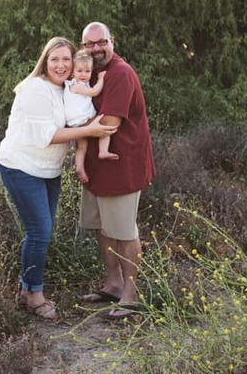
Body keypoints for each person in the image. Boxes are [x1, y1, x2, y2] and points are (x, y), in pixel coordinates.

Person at [0, 37, 118, 320]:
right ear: (45, 61)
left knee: (41, 232)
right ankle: (35, 297)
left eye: (66, 59)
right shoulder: (34, 89)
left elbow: (77, 115)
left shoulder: (65, 87)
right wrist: (92, 132)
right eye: (55, 59)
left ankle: (26, 290)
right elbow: (49, 135)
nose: (61, 65)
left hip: (48, 169)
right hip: (21, 166)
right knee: (40, 232)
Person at [77, 22, 156, 319]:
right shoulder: (88, 70)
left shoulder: (121, 73)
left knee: (123, 230)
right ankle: (113, 284)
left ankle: (131, 295)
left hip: (122, 165)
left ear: (113, 41)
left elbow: (110, 124)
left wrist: (68, 130)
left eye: (102, 42)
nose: (96, 48)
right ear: (83, 46)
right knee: (102, 227)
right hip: (97, 168)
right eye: (90, 43)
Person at [63, 49, 118, 184]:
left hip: (75, 124)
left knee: (82, 146)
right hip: (82, 120)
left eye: (87, 71)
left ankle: (80, 167)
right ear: (72, 72)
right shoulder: (77, 86)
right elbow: (94, 92)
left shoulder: (74, 84)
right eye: (80, 71)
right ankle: (103, 151)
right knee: (104, 127)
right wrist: (101, 79)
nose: (83, 75)